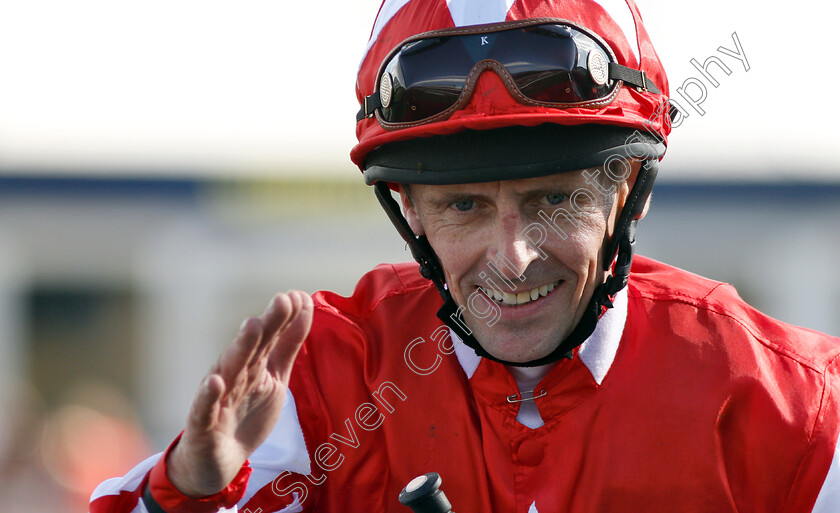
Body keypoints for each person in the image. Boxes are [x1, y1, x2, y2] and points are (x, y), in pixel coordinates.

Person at [89, 0, 840, 512]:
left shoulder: (795, 406)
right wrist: (187, 487)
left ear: (628, 193)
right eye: (465, 206)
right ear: (410, 212)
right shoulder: (323, 375)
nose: (511, 258)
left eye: (553, 201)